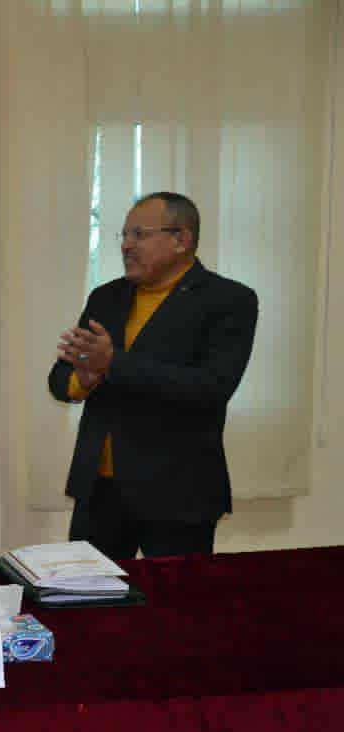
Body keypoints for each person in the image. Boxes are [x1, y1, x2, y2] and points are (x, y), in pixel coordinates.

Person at [49, 191, 258, 559]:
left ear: (182, 239)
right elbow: (60, 380)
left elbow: (211, 387)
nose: (126, 245)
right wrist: (84, 379)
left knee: (177, 596)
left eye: (140, 235)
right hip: (99, 491)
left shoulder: (228, 300)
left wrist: (113, 364)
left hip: (178, 493)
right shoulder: (106, 297)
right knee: (86, 594)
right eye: (124, 235)